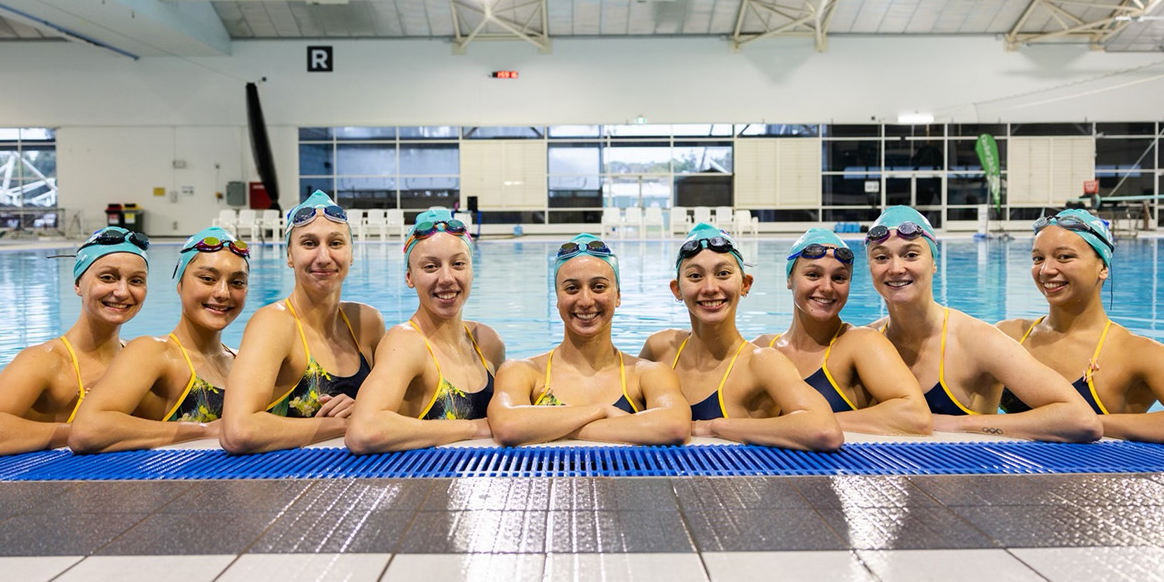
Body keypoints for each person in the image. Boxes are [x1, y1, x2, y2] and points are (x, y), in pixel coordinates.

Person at [997, 208, 1164, 448]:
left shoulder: (1135, 354)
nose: (1046, 270)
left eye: (1064, 257)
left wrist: (1089, 424)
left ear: (1103, 267)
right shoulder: (1009, 337)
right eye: (1038, 258)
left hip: (1089, 483)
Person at [865, 205, 1101, 443]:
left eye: (911, 255)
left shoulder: (977, 340)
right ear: (870, 267)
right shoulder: (865, 341)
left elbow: (1081, 420)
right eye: (881, 257)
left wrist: (956, 424)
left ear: (934, 263)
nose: (895, 268)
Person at [639, 223, 844, 451]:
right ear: (677, 289)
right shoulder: (660, 349)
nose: (710, 287)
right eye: (695, 276)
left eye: (723, 274)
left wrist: (712, 428)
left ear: (745, 284)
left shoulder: (761, 362)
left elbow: (824, 431)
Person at [0, 226, 149, 458]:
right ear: (78, 284)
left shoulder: (139, 358)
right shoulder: (45, 360)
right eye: (107, 277)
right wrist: (87, 433)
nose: (122, 291)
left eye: (136, 281)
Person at [221, 190, 385, 454]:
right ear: (289, 256)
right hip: (285, 481)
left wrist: (362, 409)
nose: (323, 257)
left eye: (336, 243)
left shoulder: (366, 323)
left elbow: (390, 410)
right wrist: (351, 423)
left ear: (352, 254)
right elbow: (238, 431)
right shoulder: (274, 323)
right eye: (309, 244)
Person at [489, 234, 689, 446]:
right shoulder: (522, 372)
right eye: (572, 288)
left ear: (618, 296)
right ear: (557, 298)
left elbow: (675, 426)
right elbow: (507, 427)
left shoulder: (648, 374)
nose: (585, 301)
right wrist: (602, 410)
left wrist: (561, 429)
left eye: (599, 287)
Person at [69, 227, 250, 453]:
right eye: (207, 279)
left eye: (237, 282)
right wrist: (205, 430)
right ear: (180, 285)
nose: (223, 293)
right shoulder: (153, 353)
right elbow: (87, 430)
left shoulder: (242, 361)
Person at [345, 207, 505, 453]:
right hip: (423, 483)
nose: (447, 278)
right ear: (410, 277)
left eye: (458, 264)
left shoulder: (487, 342)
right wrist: (473, 429)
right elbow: (363, 431)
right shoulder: (406, 342)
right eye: (431, 267)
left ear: (472, 271)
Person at [755, 227, 932, 436]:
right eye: (813, 275)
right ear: (789, 279)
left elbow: (916, 416)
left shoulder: (861, 343)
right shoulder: (761, 348)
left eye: (839, 278)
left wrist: (811, 421)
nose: (827, 287)